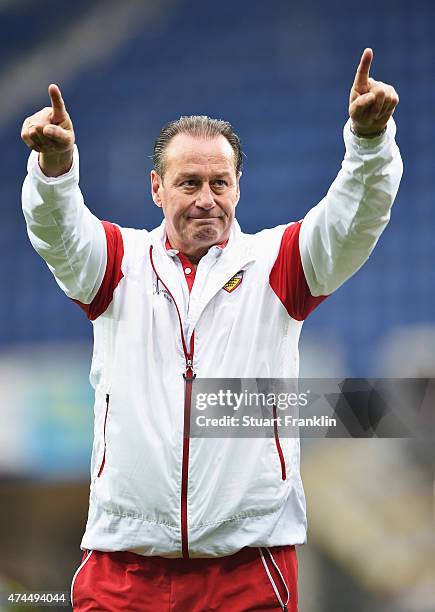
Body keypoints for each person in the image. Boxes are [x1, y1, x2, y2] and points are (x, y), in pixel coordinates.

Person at [21, 48, 402, 611]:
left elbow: (355, 218)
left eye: (219, 183)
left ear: (238, 188)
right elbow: (58, 233)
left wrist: (368, 144)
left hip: (248, 569)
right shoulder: (117, 262)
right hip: (124, 568)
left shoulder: (276, 264)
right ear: (157, 188)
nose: (205, 200)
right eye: (189, 182)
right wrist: (55, 173)